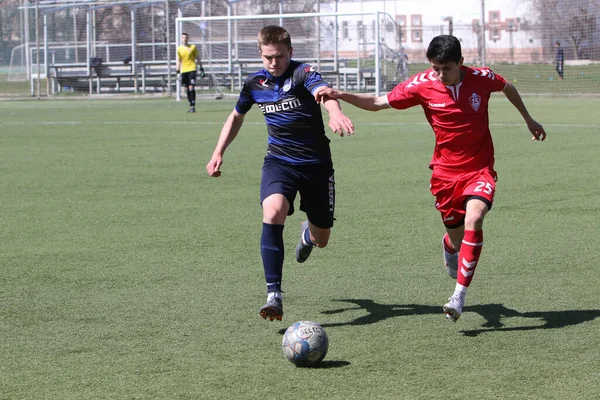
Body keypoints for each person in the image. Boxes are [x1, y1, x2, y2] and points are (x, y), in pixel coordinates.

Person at [316, 35, 547, 322]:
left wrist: (528, 118)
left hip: (479, 169)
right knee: (456, 237)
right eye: (435, 68)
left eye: (445, 69)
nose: (439, 75)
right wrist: (341, 95)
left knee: (475, 217)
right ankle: (450, 245)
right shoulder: (422, 84)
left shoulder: (481, 78)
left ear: (461, 63)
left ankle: (458, 296)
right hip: (444, 176)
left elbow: (507, 86)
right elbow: (377, 101)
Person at [206, 25, 355, 322]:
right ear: (260, 54)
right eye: (267, 58)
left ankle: (308, 236)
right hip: (279, 162)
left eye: (279, 57)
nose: (274, 64)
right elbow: (236, 116)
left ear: (290, 52)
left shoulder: (303, 73)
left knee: (322, 237)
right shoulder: (254, 84)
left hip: (316, 165)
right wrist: (218, 151)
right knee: (272, 210)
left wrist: (334, 111)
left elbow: (323, 93)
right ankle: (274, 294)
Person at [177, 33, 205, 113]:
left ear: (188, 38)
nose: (184, 39)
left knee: (191, 87)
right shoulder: (179, 49)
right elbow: (179, 61)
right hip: (184, 71)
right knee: (187, 89)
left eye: (186, 37)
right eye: (183, 37)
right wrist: (177, 72)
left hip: (192, 69)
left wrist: (201, 68)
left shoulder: (193, 47)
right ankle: (190, 104)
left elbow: (198, 58)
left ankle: (193, 106)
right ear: (181, 39)